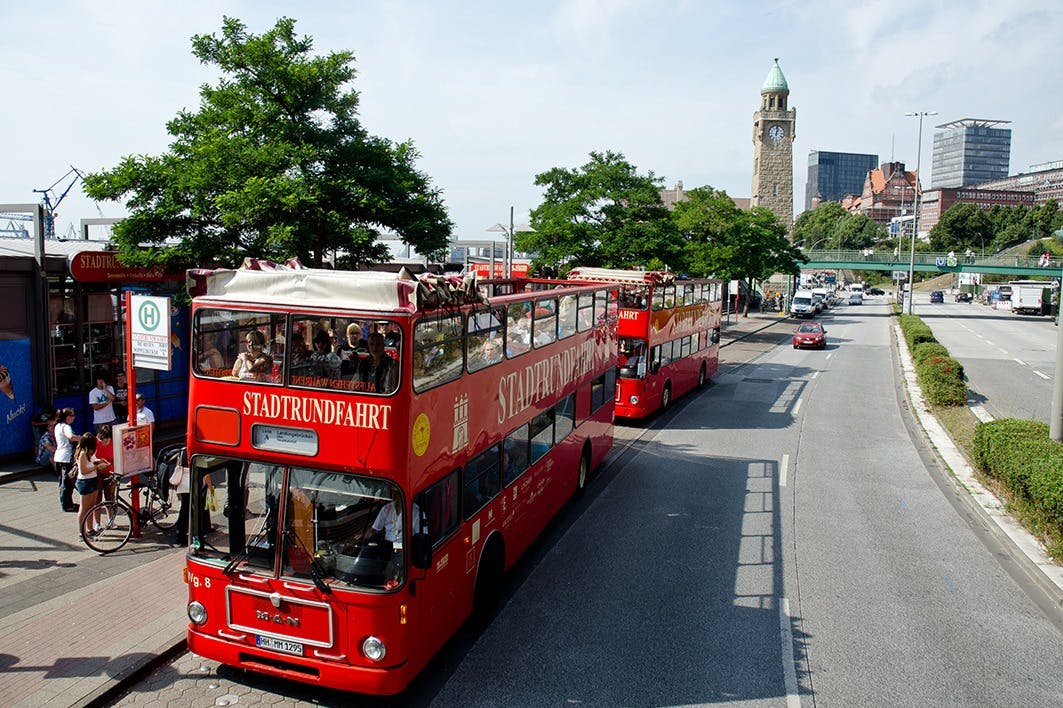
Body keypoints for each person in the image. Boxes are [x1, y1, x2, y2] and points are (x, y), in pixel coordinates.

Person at [73, 432, 109, 537]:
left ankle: (90, 529)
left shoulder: (89, 453)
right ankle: (82, 532)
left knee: (91, 507)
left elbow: (92, 461)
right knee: (84, 508)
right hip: (85, 482)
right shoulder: (82, 454)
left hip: (93, 480)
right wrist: (96, 467)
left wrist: (99, 461)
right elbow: (83, 470)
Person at [54, 408, 81, 512]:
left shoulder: (57, 426)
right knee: (68, 483)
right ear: (67, 417)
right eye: (72, 416)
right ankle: (67, 505)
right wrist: (81, 438)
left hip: (58, 456)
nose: (74, 418)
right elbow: (71, 437)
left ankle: (67, 503)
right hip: (66, 457)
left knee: (63, 482)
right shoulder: (66, 427)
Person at [95, 424, 116, 507]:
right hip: (97, 472)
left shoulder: (114, 443)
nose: (105, 441)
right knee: (97, 497)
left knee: (110, 496)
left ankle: (110, 514)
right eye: (103, 439)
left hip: (110, 472)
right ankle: (97, 514)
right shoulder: (95, 442)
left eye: (108, 439)